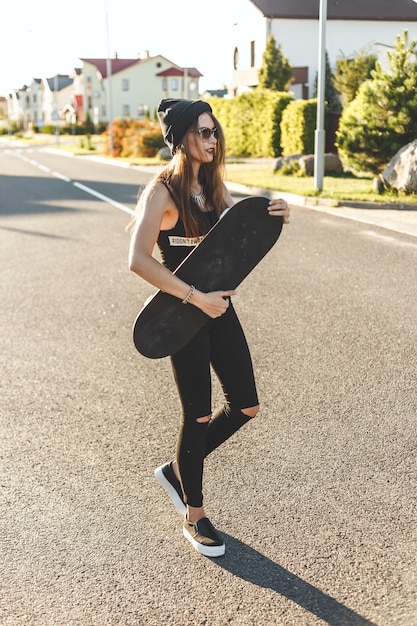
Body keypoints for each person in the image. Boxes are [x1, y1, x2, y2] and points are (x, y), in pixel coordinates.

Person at [129, 98, 290, 557]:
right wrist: (193, 297)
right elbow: (137, 260)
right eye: (202, 132)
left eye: (214, 131)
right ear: (181, 137)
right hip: (182, 314)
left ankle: (179, 469)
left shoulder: (213, 189)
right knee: (198, 415)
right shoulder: (162, 191)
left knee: (247, 406)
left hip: (219, 308)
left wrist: (272, 217)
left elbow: (236, 240)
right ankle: (194, 515)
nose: (211, 139)